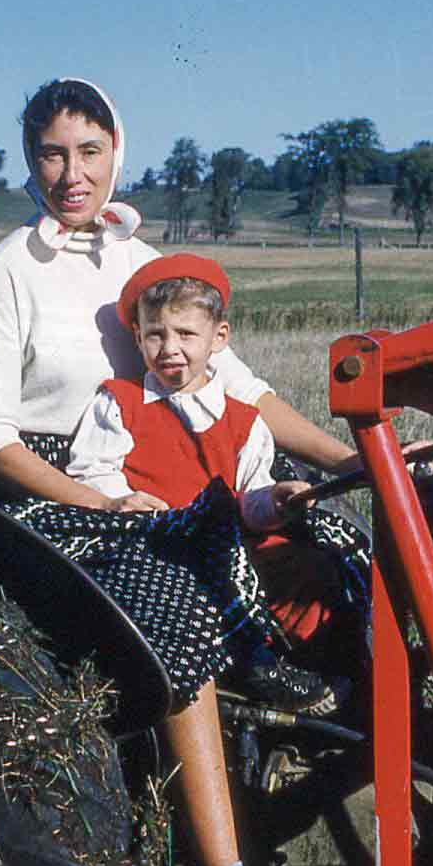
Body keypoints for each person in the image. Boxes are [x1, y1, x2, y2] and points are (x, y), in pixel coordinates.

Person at [0, 77, 367, 866]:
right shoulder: (9, 268)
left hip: (169, 468)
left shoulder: (144, 264)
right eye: (51, 154)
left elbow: (238, 389)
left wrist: (348, 462)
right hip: (58, 488)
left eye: (90, 151)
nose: (72, 173)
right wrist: (103, 502)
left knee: (344, 545)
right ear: (29, 161)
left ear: (117, 152)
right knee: (177, 605)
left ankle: (347, 767)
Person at [67, 252, 365, 714]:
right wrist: (119, 498)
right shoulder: (119, 402)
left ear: (218, 337)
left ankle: (329, 669)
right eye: (155, 335)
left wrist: (278, 500)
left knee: (312, 567)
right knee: (212, 574)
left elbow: (253, 494)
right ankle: (254, 664)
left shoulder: (244, 420)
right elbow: (92, 468)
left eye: (186, 334)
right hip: (156, 537)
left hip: (232, 536)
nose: (170, 348)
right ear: (137, 338)